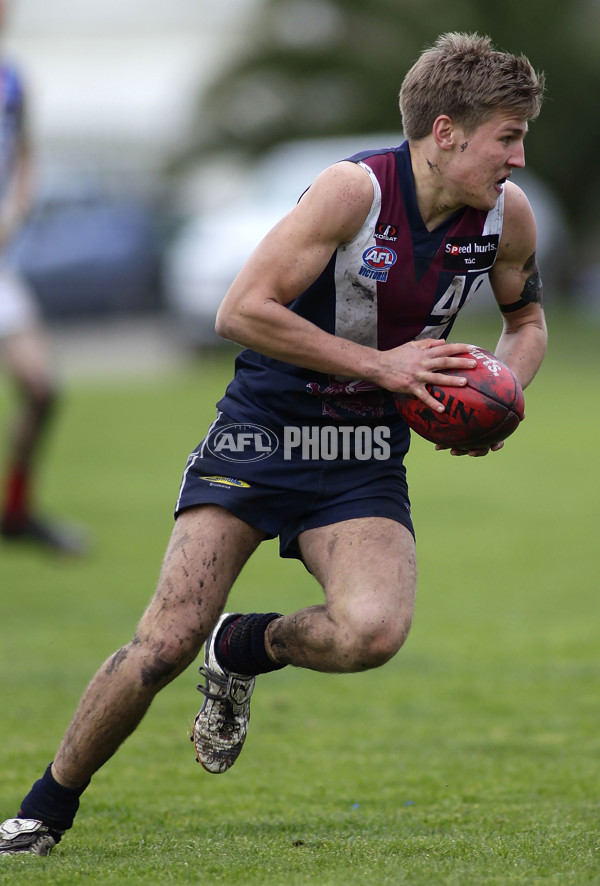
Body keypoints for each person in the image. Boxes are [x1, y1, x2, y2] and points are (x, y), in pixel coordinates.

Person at [0, 32, 546, 856]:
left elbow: (527, 323)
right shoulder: (351, 192)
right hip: (262, 433)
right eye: (507, 136)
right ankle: (43, 811)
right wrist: (383, 365)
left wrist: (497, 398)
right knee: (165, 640)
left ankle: (246, 645)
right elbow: (240, 310)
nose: (520, 156)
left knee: (373, 632)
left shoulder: (507, 218)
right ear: (446, 132)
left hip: (364, 454)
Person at [0, 1, 87, 555]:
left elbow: (26, 157)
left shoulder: (13, 78)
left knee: (41, 386)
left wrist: (17, 207)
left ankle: (15, 511)